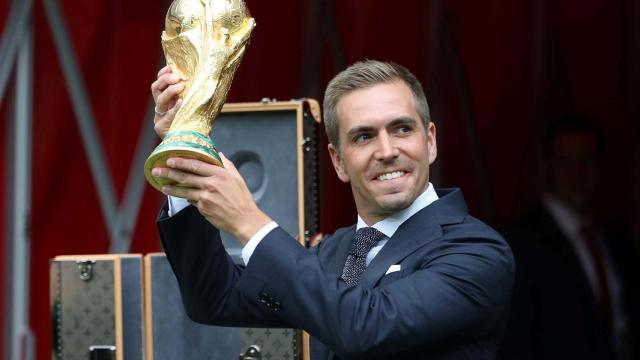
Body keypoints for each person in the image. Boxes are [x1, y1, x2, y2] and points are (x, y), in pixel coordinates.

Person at [151, 60, 515, 359]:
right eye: (364, 136)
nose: (387, 150)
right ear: (338, 161)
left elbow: (365, 328)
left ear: (431, 141)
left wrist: (249, 222)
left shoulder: (478, 251)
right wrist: (184, 150)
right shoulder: (335, 252)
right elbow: (217, 299)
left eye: (402, 129)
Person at [498, 115, 640, 359]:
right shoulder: (520, 244)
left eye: (586, 160)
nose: (577, 172)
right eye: (565, 161)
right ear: (547, 166)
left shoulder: (616, 241)